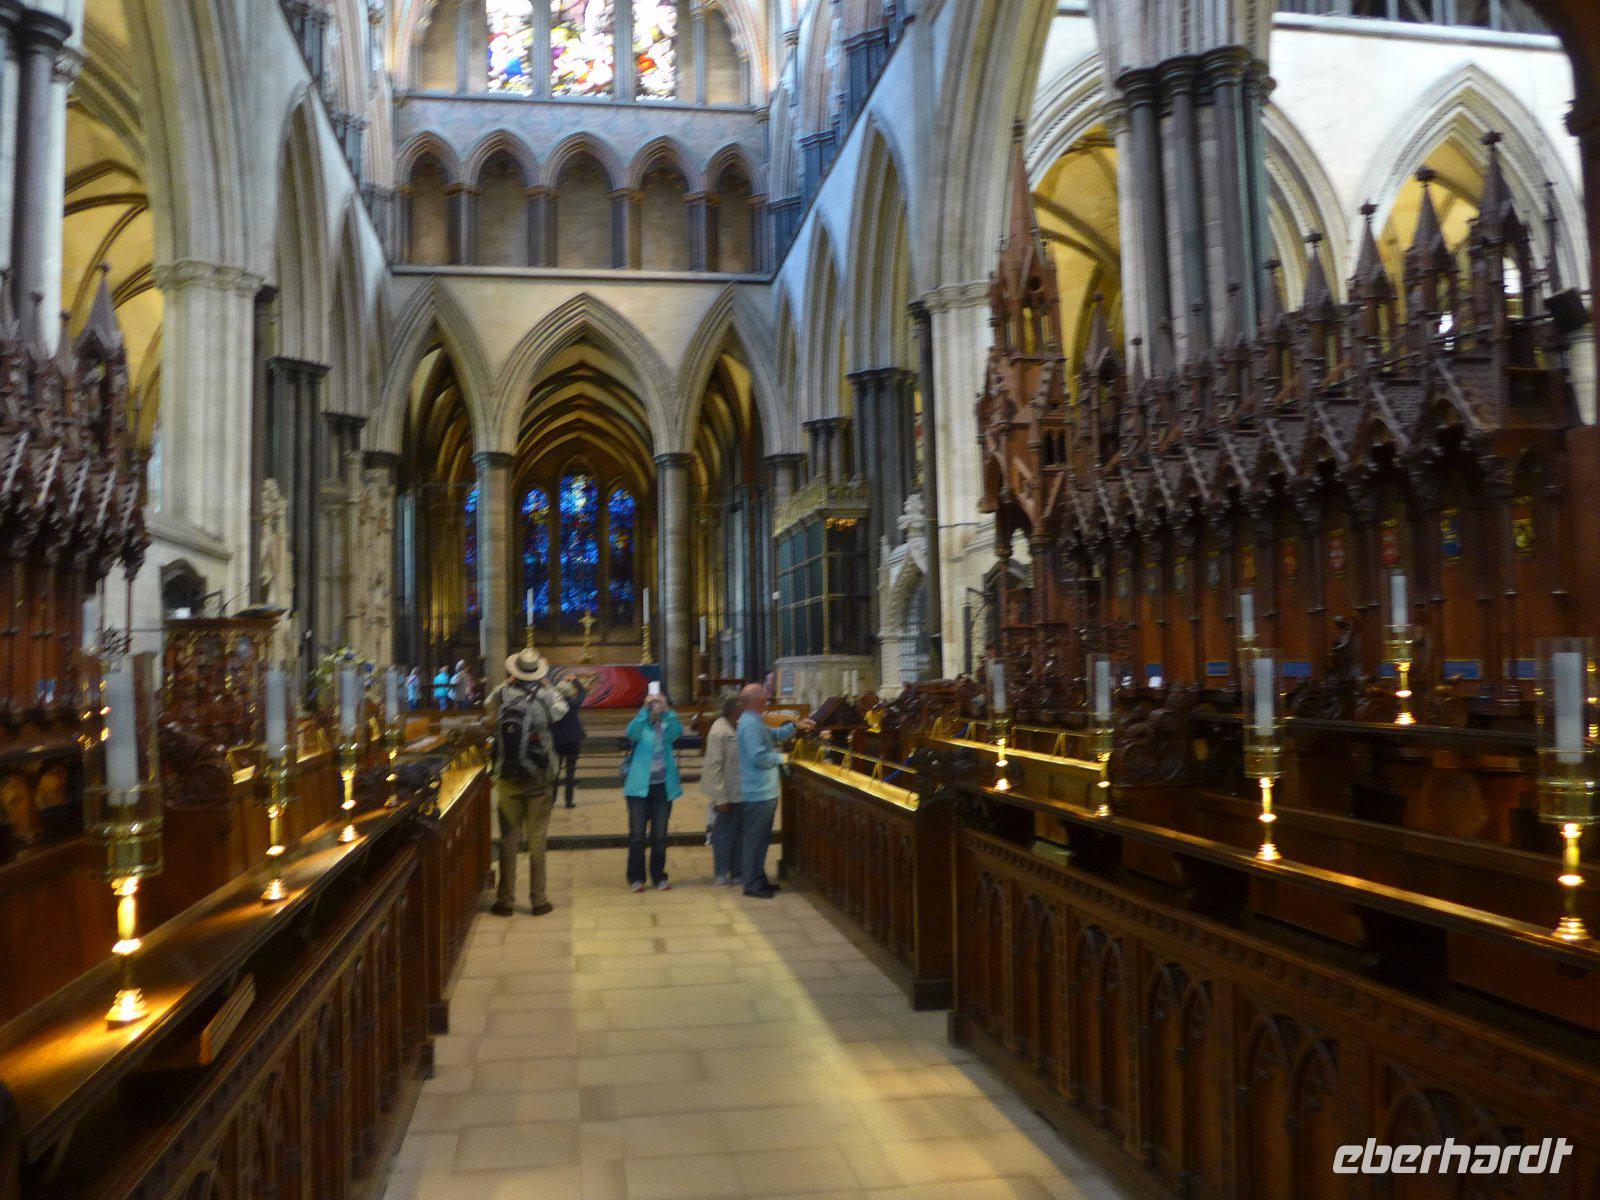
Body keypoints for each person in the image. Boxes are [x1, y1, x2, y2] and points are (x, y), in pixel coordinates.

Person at [487, 647, 569, 917]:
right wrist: (548, 689)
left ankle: (505, 901)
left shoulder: (503, 693)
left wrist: (506, 684)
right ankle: (538, 900)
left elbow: (488, 706)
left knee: (508, 839)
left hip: (507, 777)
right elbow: (561, 712)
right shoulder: (545, 695)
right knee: (537, 840)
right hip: (539, 777)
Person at [735, 684, 815, 898]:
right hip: (757, 791)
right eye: (764, 695)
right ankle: (751, 883)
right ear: (756, 700)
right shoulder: (750, 724)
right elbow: (758, 757)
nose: (767, 698)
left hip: (763, 790)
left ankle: (759, 878)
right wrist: (784, 758)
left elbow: (775, 734)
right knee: (755, 839)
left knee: (761, 838)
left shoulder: (754, 721)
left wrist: (795, 727)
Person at [621, 690, 683, 891]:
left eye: (659, 702)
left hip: (662, 787)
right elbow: (632, 733)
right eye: (653, 702)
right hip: (639, 787)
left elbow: (677, 732)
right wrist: (643, 711)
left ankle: (659, 876)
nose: (656, 705)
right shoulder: (642, 723)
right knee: (637, 835)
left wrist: (667, 712)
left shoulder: (666, 723)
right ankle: (636, 878)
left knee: (660, 835)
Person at [702, 691, 744, 886]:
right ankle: (721, 872)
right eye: (741, 706)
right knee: (724, 834)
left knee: (738, 833)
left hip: (739, 790)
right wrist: (720, 798)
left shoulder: (735, 726)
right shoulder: (719, 731)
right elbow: (714, 766)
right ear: (734, 709)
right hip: (726, 792)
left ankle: (737, 872)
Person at [549, 677, 586, 808]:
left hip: (556, 741)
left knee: (555, 771)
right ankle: (569, 801)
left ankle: (551, 800)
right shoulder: (573, 704)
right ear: (570, 692)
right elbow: (583, 692)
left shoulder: (552, 706)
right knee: (570, 772)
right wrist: (575, 680)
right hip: (573, 741)